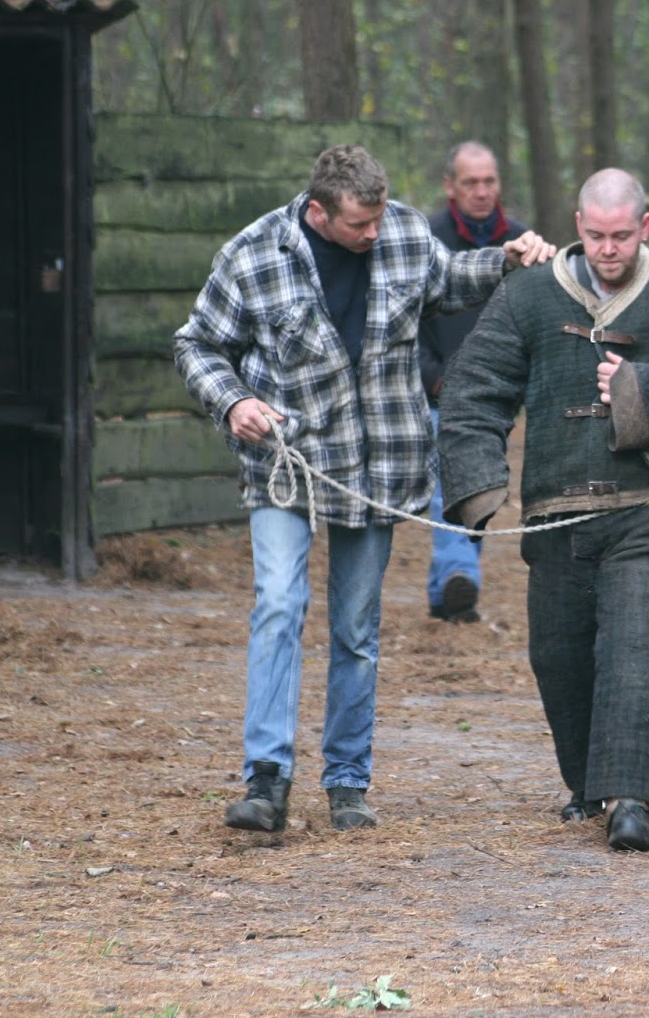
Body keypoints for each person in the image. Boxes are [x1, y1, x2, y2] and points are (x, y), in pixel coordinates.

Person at [173, 144, 554, 834]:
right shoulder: (255, 254)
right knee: (280, 605)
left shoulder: (406, 233)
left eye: (379, 219)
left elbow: (450, 281)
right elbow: (198, 344)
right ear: (318, 211)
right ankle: (266, 781)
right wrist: (233, 403)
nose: (373, 233)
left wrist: (508, 257)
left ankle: (348, 781)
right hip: (286, 467)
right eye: (358, 224)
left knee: (355, 629)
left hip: (377, 468)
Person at [439, 168, 649, 852]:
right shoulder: (526, 295)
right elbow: (474, 386)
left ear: (644, 228)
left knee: (638, 649)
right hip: (555, 513)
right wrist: (478, 483)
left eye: (622, 236)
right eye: (597, 235)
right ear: (579, 226)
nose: (609, 249)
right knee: (560, 656)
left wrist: (641, 388)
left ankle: (631, 802)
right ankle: (586, 788)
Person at [418, 142, 530, 624]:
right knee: (447, 490)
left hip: (498, 397)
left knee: (480, 490)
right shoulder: (425, 238)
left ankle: (446, 593)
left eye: (489, 181)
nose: (482, 192)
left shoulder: (524, 243)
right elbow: (405, 322)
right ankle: (461, 574)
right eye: (471, 183)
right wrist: (433, 377)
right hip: (440, 393)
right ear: (450, 186)